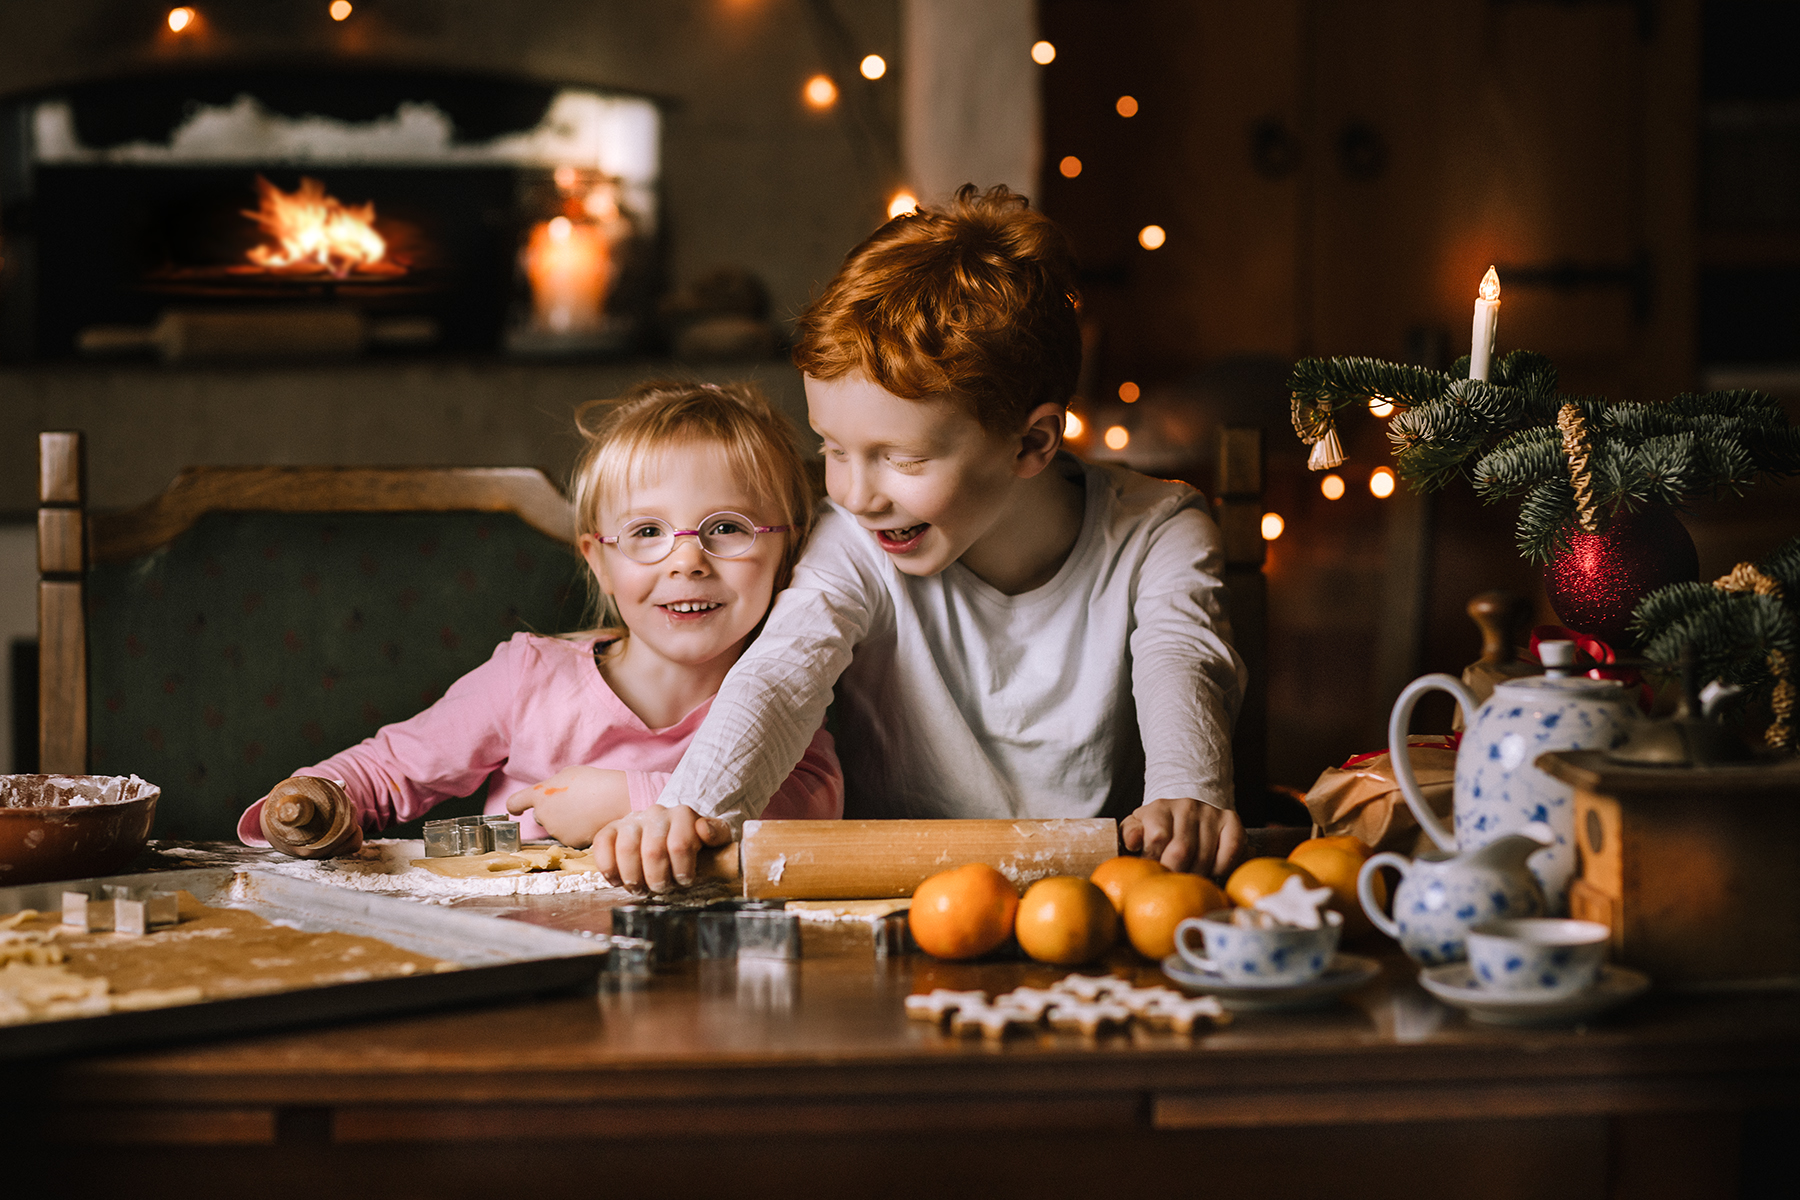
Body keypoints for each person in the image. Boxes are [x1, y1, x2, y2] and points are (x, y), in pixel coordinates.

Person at [589, 185, 1245, 893]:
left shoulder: (1159, 534)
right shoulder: (857, 543)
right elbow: (781, 675)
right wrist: (688, 808)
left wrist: (1189, 791)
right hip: (892, 904)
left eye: (903, 459)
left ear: (1031, 442)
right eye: (833, 449)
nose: (855, 493)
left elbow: (1183, 657)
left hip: (1095, 897)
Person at [237, 381, 843, 853]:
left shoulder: (785, 699)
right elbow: (392, 767)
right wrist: (316, 800)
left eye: (728, 528)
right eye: (647, 531)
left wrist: (623, 799)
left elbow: (806, 813)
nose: (687, 560)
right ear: (600, 562)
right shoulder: (531, 678)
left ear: (787, 554)